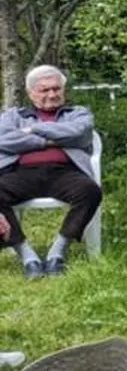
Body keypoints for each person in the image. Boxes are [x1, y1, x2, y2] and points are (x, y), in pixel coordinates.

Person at [0, 65, 102, 279]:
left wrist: (33, 130)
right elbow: (4, 139)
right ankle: (27, 256)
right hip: (20, 173)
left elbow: (79, 133)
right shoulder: (13, 116)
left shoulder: (77, 113)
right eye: (44, 90)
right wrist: (49, 141)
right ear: (30, 93)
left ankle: (58, 251)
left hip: (64, 173)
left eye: (56, 89)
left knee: (90, 191)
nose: (52, 94)